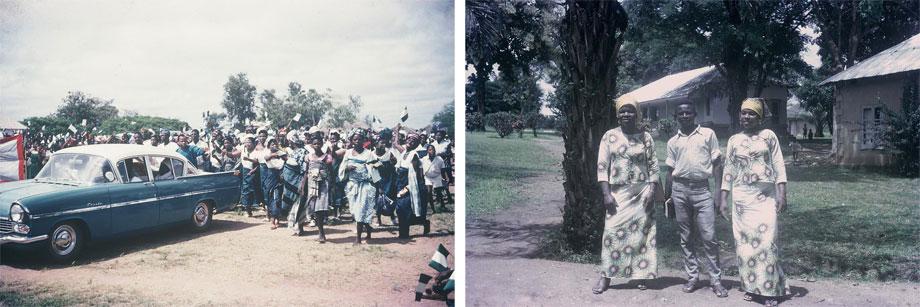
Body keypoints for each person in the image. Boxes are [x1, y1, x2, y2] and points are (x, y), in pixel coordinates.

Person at [720, 98, 788, 307]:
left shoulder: (768, 136)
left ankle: (770, 290)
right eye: (743, 113)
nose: (746, 117)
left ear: (760, 117)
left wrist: (782, 193)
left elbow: (778, 164)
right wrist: (723, 198)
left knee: (767, 242)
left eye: (751, 114)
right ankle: (751, 287)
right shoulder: (733, 140)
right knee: (745, 245)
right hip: (742, 198)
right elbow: (729, 170)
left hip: (765, 195)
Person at [593, 95, 659, 294]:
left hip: (642, 192)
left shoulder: (646, 137)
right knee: (611, 233)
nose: (626, 114)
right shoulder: (609, 136)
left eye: (630, 110)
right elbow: (602, 167)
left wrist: (652, 190)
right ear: (617, 114)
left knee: (643, 234)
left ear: (637, 113)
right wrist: (606, 194)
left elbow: (654, 165)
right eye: (623, 111)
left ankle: (640, 275)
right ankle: (606, 276)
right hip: (618, 192)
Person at [663, 103, 729, 297]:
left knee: (709, 236)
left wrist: (718, 193)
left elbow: (717, 165)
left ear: (694, 114)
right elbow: (669, 171)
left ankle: (715, 280)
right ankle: (692, 277)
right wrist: (669, 199)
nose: (684, 115)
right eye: (681, 113)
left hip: (702, 191)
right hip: (679, 190)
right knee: (686, 237)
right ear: (676, 116)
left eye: (688, 112)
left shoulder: (708, 135)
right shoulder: (672, 141)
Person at [339, 131, 379, 244]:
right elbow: (342, 167)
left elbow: (375, 169)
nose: (357, 141)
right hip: (352, 185)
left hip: (365, 185)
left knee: (361, 210)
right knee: (355, 211)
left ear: (364, 141)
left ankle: (358, 238)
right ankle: (368, 228)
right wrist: (347, 168)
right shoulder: (348, 153)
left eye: (360, 139)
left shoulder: (369, 153)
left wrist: (377, 186)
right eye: (355, 139)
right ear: (351, 141)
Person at [296, 135, 334, 241]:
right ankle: (300, 227)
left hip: (323, 185)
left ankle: (321, 233)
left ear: (322, 144)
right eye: (315, 143)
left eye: (319, 143)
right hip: (311, 184)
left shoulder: (327, 157)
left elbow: (331, 172)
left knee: (319, 209)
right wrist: (303, 185)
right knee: (310, 207)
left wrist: (332, 185)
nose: (317, 145)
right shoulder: (309, 157)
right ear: (312, 145)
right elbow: (306, 172)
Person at [394, 130, 431, 239]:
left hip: (409, 184)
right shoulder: (404, 152)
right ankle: (422, 222)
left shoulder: (414, 155)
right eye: (409, 139)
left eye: (414, 141)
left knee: (404, 207)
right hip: (400, 182)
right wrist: (396, 130)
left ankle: (404, 233)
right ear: (406, 140)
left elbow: (416, 175)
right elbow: (395, 144)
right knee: (401, 208)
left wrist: (411, 187)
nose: (411, 141)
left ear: (416, 144)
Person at [283, 137, 308, 234]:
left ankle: (298, 227)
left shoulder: (302, 152)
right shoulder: (295, 152)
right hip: (291, 180)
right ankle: (294, 226)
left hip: (298, 180)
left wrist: (302, 183)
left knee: (299, 204)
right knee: (294, 204)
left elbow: (304, 170)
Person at [260, 138, 285, 229]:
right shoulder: (267, 154)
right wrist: (274, 154)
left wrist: (280, 154)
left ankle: (276, 218)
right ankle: (273, 218)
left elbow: (286, 158)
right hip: (271, 177)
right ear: (269, 146)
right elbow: (266, 158)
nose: (274, 146)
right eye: (272, 144)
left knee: (277, 198)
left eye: (275, 144)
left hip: (279, 177)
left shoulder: (281, 153)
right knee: (271, 197)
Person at [422, 144, 448, 213]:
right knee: (429, 192)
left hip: (437, 177)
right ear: (427, 151)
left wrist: (445, 178)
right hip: (428, 177)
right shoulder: (424, 159)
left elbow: (443, 170)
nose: (432, 151)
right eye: (430, 150)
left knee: (439, 192)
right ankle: (433, 209)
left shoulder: (439, 159)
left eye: (433, 149)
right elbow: (421, 168)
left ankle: (442, 205)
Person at [237, 135, 259, 217]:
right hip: (245, 171)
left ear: (253, 143)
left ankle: (258, 206)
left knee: (254, 190)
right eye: (246, 142)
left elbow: (257, 162)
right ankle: (247, 210)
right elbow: (234, 155)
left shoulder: (256, 151)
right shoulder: (243, 150)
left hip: (254, 172)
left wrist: (248, 159)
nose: (247, 144)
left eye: (249, 142)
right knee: (246, 190)